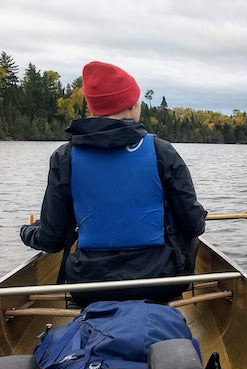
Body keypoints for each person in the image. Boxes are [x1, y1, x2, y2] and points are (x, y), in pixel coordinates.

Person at [20, 61, 206, 305]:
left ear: (94, 108)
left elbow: (52, 239)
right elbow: (193, 226)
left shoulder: (64, 158)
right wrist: (196, 215)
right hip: (157, 283)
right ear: (132, 105)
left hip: (90, 286)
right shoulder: (162, 151)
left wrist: (27, 232)